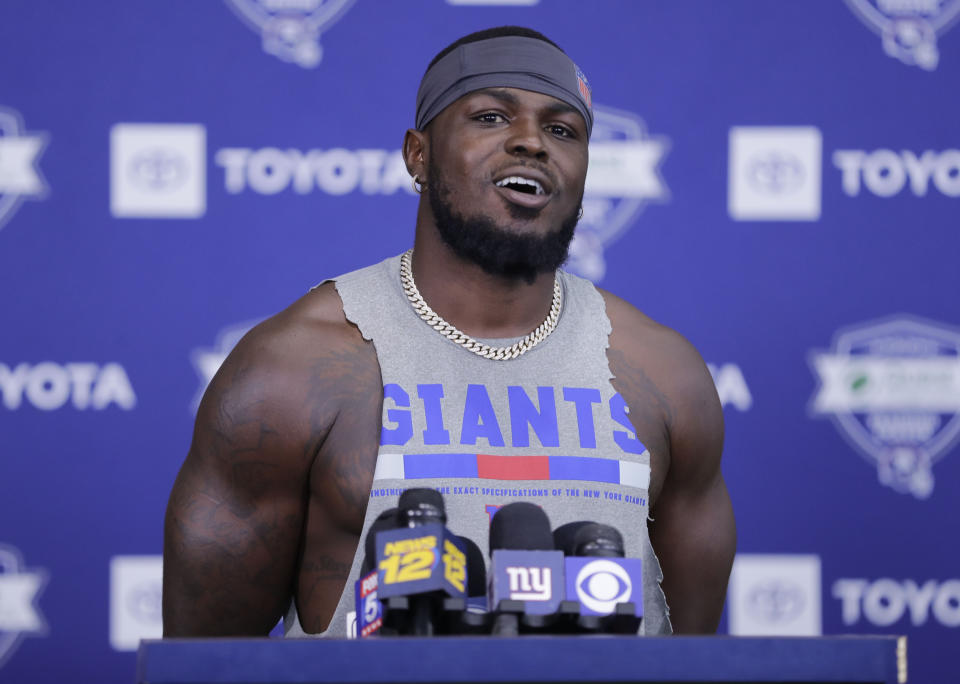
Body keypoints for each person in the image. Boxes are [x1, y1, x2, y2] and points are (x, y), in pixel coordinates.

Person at [162, 26, 735, 638]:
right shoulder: (292, 368)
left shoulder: (665, 374)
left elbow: (690, 661)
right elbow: (205, 665)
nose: (531, 143)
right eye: (491, 117)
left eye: (562, 130)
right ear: (418, 154)